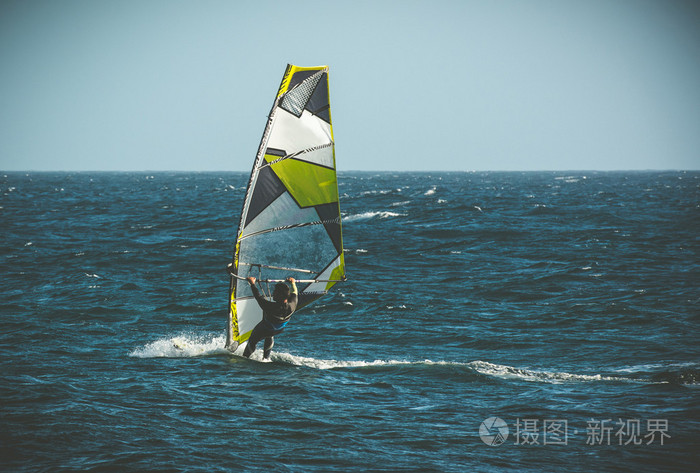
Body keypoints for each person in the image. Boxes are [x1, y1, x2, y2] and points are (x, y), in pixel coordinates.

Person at [242, 276, 298, 359]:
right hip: (279, 329)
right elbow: (295, 292)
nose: (273, 293)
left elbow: (258, 296)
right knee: (270, 334)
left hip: (265, 329)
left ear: (280, 295)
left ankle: (245, 357)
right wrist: (293, 283)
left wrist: (252, 284)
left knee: (253, 340)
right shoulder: (293, 304)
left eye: (275, 292)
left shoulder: (270, 306)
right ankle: (266, 359)